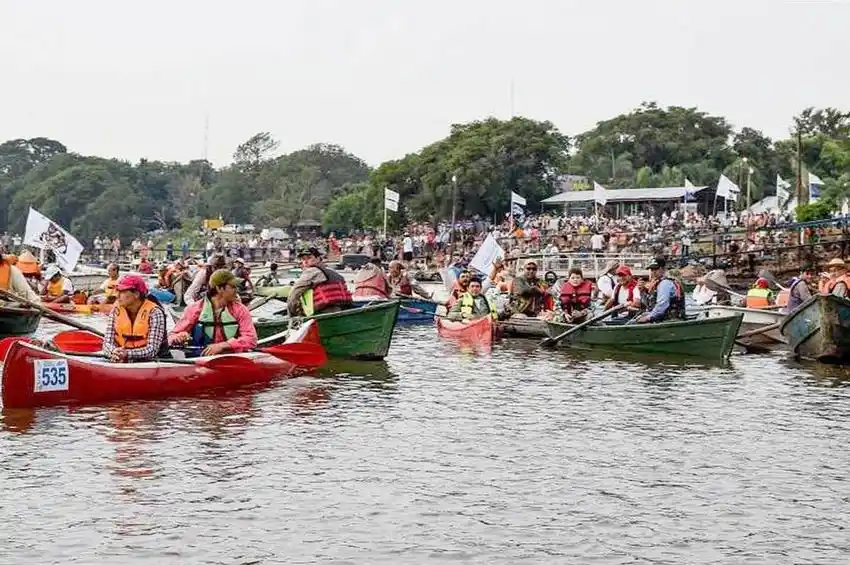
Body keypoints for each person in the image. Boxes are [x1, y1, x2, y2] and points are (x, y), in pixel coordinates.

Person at [168, 269, 258, 356]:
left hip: (230, 358)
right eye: (233, 287)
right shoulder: (194, 309)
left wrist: (222, 345)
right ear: (219, 288)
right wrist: (178, 337)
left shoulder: (240, 310)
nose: (236, 290)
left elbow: (251, 339)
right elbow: (171, 336)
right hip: (200, 359)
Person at [101, 275, 169, 363]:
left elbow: (152, 350)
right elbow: (107, 343)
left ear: (136, 294)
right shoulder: (116, 310)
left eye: (122, 292)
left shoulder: (155, 312)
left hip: (151, 361)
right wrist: (113, 351)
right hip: (122, 357)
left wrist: (127, 354)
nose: (117, 295)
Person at [287, 247, 353, 316]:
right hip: (342, 309)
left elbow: (294, 293)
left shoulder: (311, 271)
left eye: (309, 258)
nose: (305, 261)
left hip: (323, 312)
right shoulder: (333, 272)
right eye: (303, 259)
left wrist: (292, 315)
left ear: (318, 258)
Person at [635, 257, 686, 323]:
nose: (653, 272)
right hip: (662, 319)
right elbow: (649, 305)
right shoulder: (657, 284)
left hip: (671, 321)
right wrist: (642, 291)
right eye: (652, 269)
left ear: (663, 269)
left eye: (656, 269)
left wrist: (648, 317)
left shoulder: (665, 283)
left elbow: (662, 305)